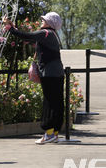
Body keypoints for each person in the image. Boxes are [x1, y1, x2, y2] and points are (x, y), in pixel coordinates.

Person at [4, 12, 64, 144]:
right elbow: (30, 39)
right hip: (57, 73)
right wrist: (15, 29)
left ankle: (48, 134)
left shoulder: (45, 33)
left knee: (49, 103)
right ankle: (54, 134)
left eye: (45, 20)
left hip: (49, 73)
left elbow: (27, 36)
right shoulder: (53, 35)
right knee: (57, 103)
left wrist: (11, 29)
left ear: (50, 23)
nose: (42, 21)